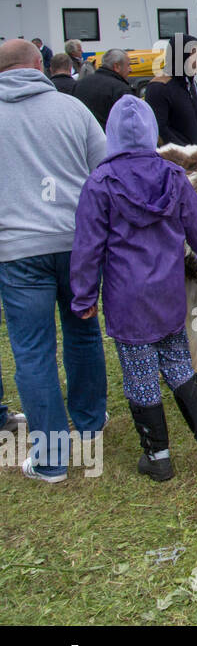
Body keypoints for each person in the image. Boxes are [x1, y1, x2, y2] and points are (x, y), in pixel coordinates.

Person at [70, 96, 197, 481]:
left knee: (140, 374)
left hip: (127, 298)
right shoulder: (173, 176)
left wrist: (84, 296)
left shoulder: (100, 183)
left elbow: (87, 246)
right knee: (177, 363)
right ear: (151, 133)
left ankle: (158, 456)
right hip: (168, 292)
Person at [0, 39, 108, 484]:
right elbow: (103, 172)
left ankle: (51, 459)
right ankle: (89, 423)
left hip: (18, 250)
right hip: (76, 243)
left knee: (33, 351)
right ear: (38, 65)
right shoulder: (73, 110)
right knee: (83, 332)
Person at [144, 33, 197, 148]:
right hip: (181, 161)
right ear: (182, 57)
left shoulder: (189, 83)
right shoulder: (158, 87)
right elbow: (160, 130)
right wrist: (187, 153)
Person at [74, 48, 135, 129]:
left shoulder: (81, 83)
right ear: (116, 66)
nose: (130, 69)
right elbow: (129, 123)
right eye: (128, 65)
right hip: (109, 138)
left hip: (83, 135)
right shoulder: (120, 89)